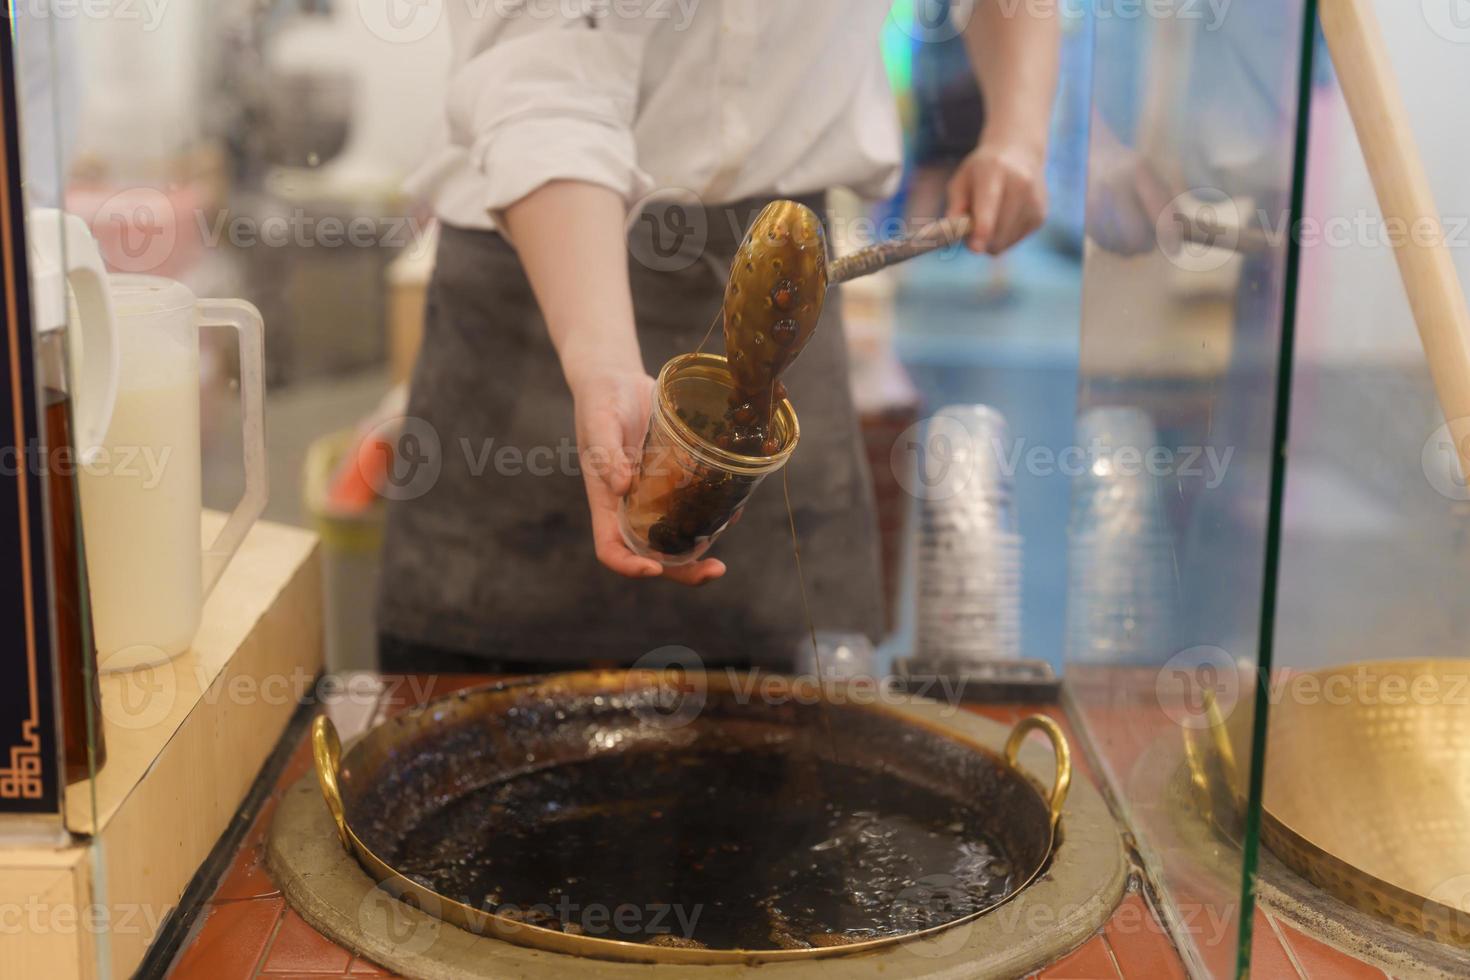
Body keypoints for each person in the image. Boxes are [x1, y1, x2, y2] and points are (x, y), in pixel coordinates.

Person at [378, 1, 1059, 673]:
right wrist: (604, 363)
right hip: (543, 266)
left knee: (784, 737)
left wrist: (1017, 138)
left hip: (782, 284)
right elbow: (542, 88)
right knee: (475, 717)